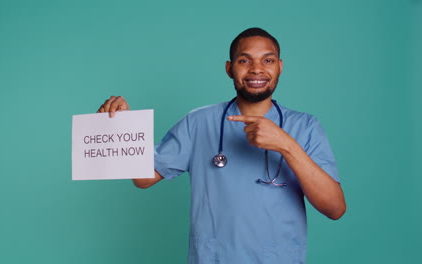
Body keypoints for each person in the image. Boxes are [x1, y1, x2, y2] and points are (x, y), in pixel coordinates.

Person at [97, 27, 346, 264]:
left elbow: (335, 208)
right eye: (244, 60)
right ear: (230, 68)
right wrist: (123, 128)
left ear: (280, 67)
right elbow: (143, 179)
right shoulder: (199, 123)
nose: (256, 69)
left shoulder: (305, 127)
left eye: (268, 61)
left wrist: (286, 145)